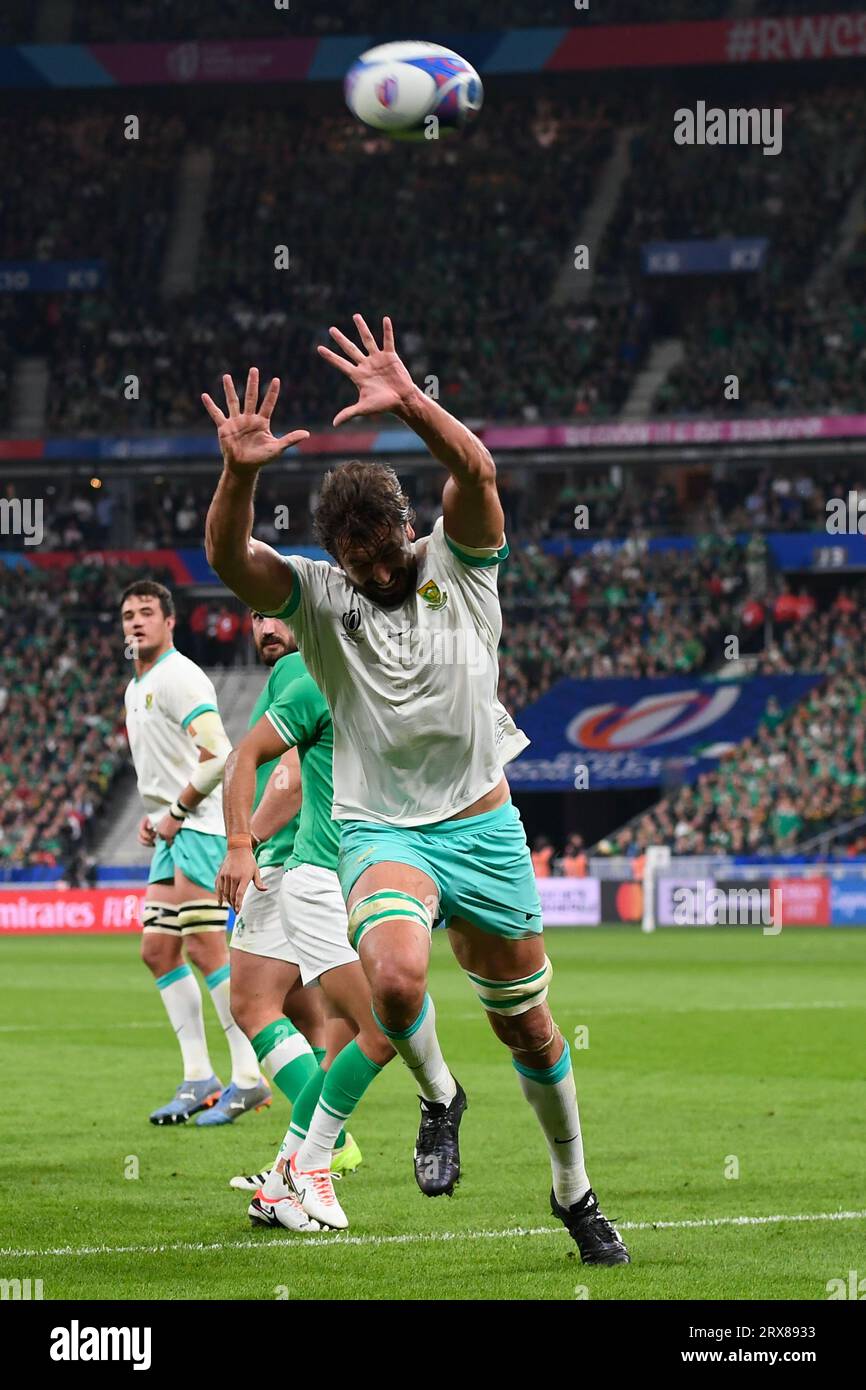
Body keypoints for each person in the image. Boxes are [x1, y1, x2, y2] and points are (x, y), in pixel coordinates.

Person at [201, 315, 628, 1263]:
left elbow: (475, 473)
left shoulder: (459, 562)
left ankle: (574, 1189)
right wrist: (239, 473)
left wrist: (413, 400)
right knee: (394, 980)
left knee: (531, 1027)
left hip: (484, 825)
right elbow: (232, 561)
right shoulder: (319, 599)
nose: (381, 567)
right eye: (360, 558)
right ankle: (441, 1096)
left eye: (388, 546)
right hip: (383, 830)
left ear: (406, 525)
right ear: (338, 554)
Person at [218, 614, 393, 1230]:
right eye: (258, 617)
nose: (267, 627)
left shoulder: (300, 670)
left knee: (253, 1004)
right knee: (328, 1022)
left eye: (279, 616)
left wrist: (247, 842)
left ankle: (314, 1153)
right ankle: (296, 1164)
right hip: (337, 871)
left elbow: (288, 779)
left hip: (295, 865)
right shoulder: (329, 674)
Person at [121, 580, 269, 1126]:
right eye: (128, 614)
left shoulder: (179, 677)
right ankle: (198, 1077)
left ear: (170, 622)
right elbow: (174, 766)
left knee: (207, 950)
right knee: (158, 952)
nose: (135, 622)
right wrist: (158, 812)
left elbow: (219, 756)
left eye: (146, 613)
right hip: (173, 829)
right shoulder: (137, 688)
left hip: (200, 827)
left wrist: (177, 811)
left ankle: (250, 1078)